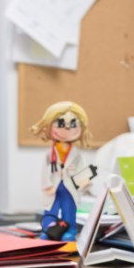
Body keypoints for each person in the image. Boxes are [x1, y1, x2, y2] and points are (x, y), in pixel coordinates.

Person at [30, 101, 93, 241]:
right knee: (51, 208)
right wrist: (47, 185)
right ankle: (48, 230)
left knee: (69, 209)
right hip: (53, 185)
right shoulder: (50, 153)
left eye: (73, 125)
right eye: (60, 124)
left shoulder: (76, 153)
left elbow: (82, 168)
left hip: (69, 186)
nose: (67, 129)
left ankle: (69, 230)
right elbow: (44, 170)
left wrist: (85, 182)